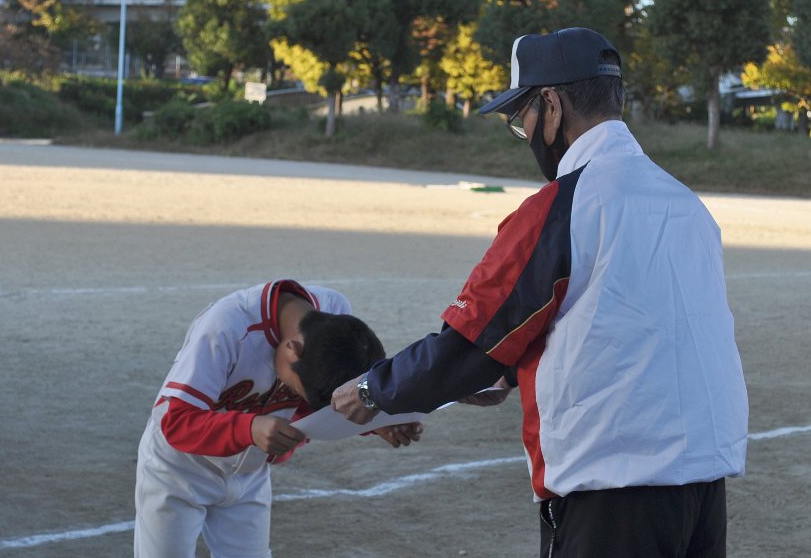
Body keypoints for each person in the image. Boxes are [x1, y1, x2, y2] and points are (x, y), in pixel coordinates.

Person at [332, 27, 749, 558]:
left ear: (551, 105)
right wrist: (512, 373)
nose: (525, 132)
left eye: (521, 116)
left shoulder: (561, 206)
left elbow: (469, 345)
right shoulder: (685, 203)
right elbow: (638, 322)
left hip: (615, 486)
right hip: (703, 483)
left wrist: (374, 389)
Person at [135, 278, 422, 558]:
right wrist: (248, 428)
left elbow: (331, 398)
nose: (297, 397)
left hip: (250, 470)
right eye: (298, 389)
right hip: (180, 468)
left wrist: (374, 422)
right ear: (291, 349)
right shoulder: (226, 326)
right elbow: (176, 421)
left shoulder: (335, 314)